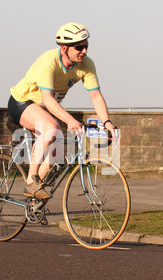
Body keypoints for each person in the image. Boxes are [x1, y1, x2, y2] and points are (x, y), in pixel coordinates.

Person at [8, 22, 116, 199]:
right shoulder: (49, 61)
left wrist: (107, 122)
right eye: (79, 47)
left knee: (57, 155)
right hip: (21, 102)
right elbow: (47, 99)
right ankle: (30, 181)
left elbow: (96, 96)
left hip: (43, 109)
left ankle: (33, 202)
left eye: (86, 46)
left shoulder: (86, 65)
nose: (84, 51)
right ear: (65, 48)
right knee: (51, 127)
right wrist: (70, 121)